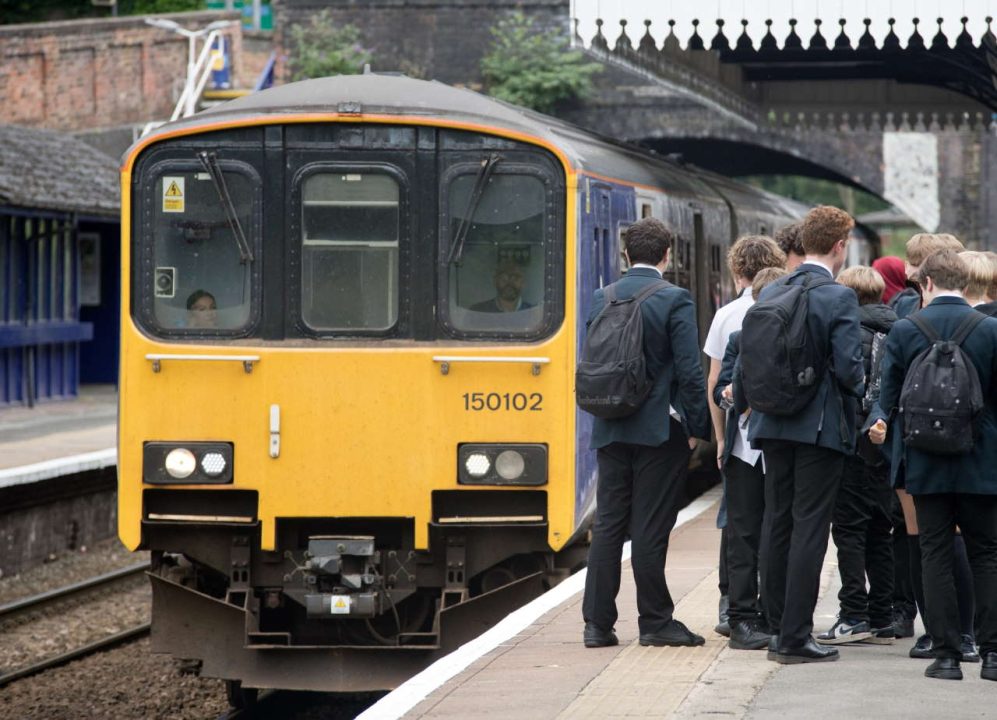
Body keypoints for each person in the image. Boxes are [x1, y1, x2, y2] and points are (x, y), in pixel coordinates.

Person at [867, 249, 997, 682]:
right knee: (986, 554)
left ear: (926, 284)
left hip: (925, 462)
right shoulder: (991, 330)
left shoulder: (906, 330)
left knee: (935, 553)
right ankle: (993, 654)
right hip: (982, 460)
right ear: (966, 281)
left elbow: (887, 400)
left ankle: (946, 655)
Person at [581, 218, 710, 649]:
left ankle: (597, 625)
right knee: (650, 529)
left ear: (625, 255)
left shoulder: (603, 296)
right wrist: (697, 428)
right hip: (659, 431)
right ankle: (655, 622)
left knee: (609, 526)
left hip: (611, 426)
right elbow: (690, 372)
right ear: (667, 255)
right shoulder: (674, 298)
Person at [748, 205, 865, 664]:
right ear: (840, 247)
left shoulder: (774, 289)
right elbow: (851, 370)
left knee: (777, 521)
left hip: (771, 422)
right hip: (817, 427)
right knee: (810, 528)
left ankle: (776, 627)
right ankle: (797, 637)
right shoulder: (837, 297)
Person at [703, 236, 786, 642]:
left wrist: (719, 438)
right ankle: (767, 612)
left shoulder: (727, 316)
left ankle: (740, 612)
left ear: (739, 272)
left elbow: (714, 382)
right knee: (775, 528)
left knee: (741, 531)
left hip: (740, 444)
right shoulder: (793, 314)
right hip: (779, 445)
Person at [815, 266, 897, 646]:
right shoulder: (900, 330)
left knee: (848, 530)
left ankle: (853, 614)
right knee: (881, 529)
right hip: (886, 445)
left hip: (850, 442)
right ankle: (883, 615)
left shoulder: (845, 331)